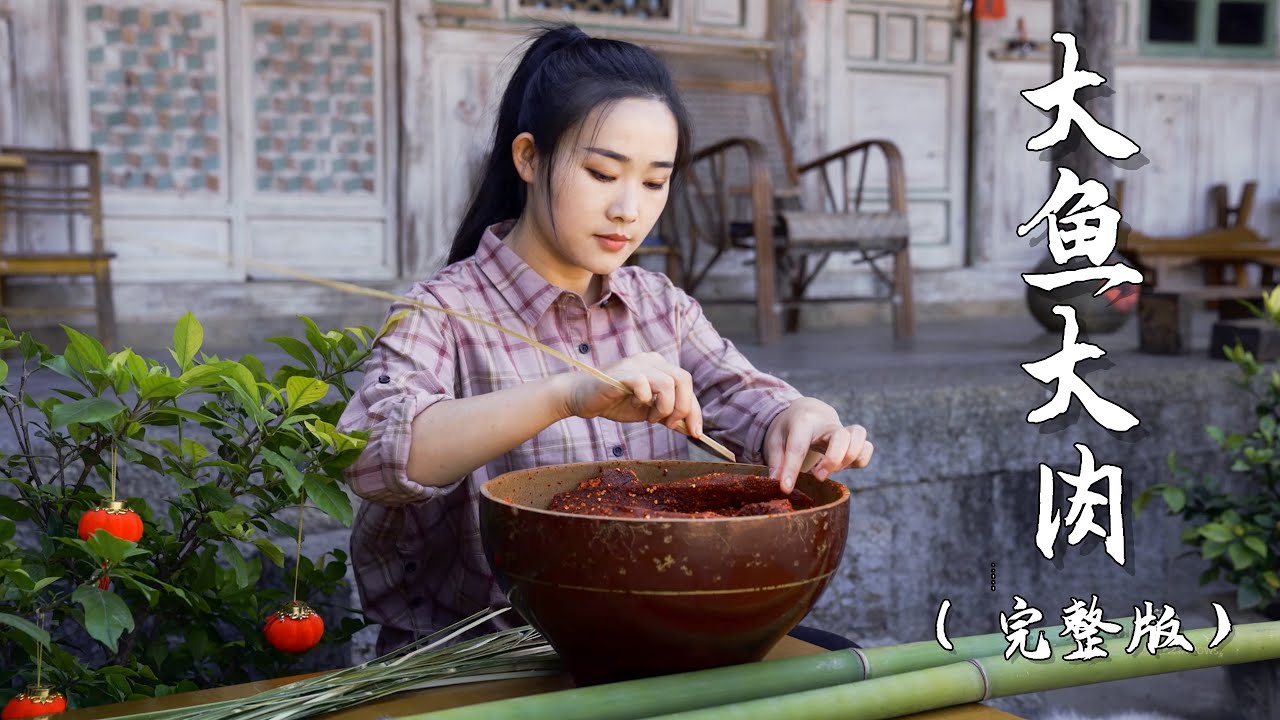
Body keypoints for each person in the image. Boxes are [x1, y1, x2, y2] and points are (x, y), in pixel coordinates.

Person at [337, 22, 874, 656]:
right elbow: (370, 458)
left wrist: (801, 421)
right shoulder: (443, 311)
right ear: (529, 158)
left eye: (654, 183)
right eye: (601, 173)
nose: (629, 209)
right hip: (488, 657)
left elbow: (746, 399)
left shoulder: (658, 307)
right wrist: (565, 394)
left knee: (843, 660)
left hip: (644, 632)